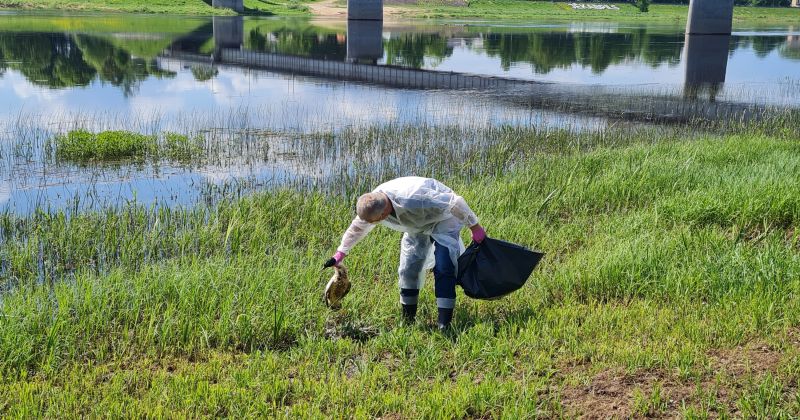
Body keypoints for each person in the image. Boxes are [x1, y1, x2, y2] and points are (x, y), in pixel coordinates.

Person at [325, 176, 486, 331]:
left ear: (382, 215)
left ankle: (444, 323)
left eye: (374, 221)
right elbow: (358, 227)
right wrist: (340, 253)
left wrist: (475, 227)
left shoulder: (414, 198)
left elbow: (455, 202)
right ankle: (408, 319)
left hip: (443, 219)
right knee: (408, 269)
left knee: (444, 266)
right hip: (416, 224)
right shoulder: (373, 203)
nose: (371, 224)